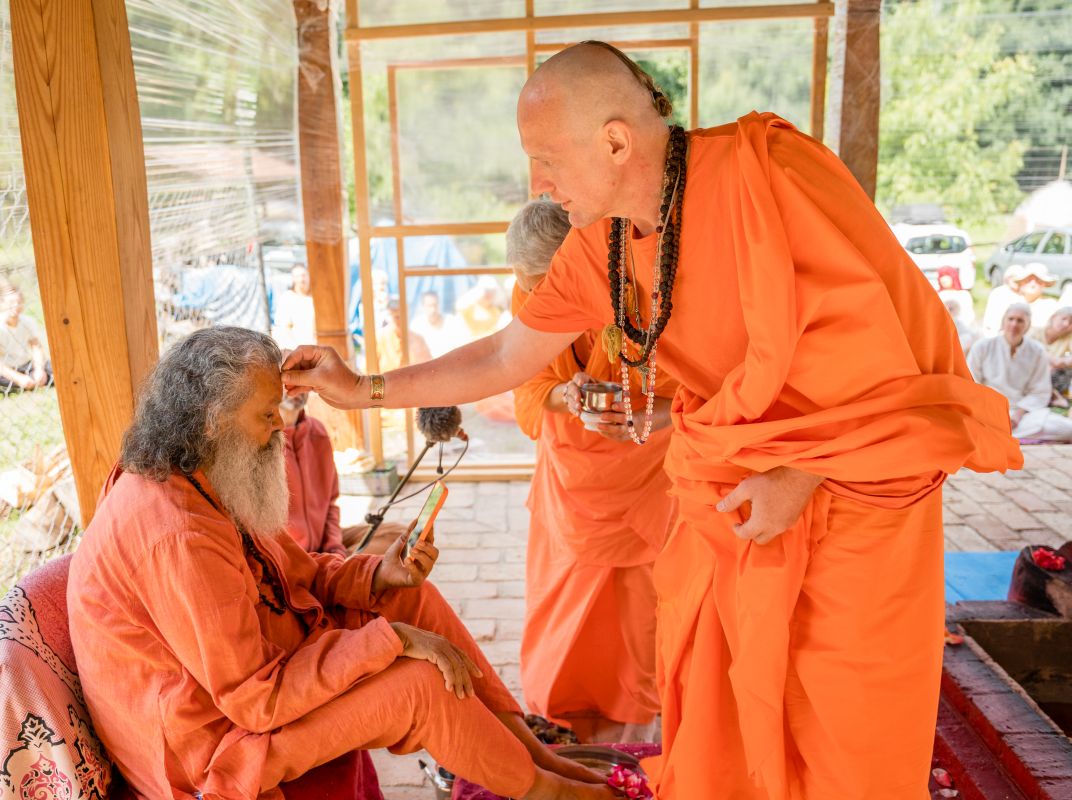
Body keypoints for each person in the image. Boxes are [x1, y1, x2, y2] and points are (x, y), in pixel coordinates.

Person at [283, 42, 1020, 799]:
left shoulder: (770, 177)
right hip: (739, 501)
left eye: (545, 158)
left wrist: (802, 471)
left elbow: (903, 365)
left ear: (614, 140)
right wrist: (361, 386)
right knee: (728, 706)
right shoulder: (599, 246)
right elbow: (507, 353)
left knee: (842, 735)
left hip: (858, 494)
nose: (537, 183)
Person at [67, 327, 611, 800]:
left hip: (260, 673)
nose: (281, 427)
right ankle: (547, 791)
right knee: (417, 684)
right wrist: (388, 642)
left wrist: (378, 575)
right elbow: (255, 699)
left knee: (407, 596)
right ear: (211, 420)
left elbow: (297, 575)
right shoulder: (177, 534)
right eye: (265, 415)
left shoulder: (204, 472)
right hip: (214, 749)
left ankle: (533, 755)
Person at [508, 200, 676, 743]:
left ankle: (636, 731)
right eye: (526, 284)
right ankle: (558, 716)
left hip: (645, 474)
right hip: (569, 485)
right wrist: (564, 394)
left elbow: (694, 390)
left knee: (635, 617)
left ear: (578, 266)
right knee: (559, 608)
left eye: (541, 283)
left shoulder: (644, 293)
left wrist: (643, 412)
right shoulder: (528, 294)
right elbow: (525, 385)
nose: (533, 297)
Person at [280, 391, 406, 556]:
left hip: (324, 547)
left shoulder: (317, 431)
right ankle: (341, 571)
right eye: (286, 376)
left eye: (301, 373)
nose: (294, 388)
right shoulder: (262, 441)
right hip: (290, 559)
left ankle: (338, 569)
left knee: (401, 537)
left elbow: (331, 503)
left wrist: (334, 548)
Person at [967, 304, 1072, 442]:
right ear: (1003, 321)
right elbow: (970, 384)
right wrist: (991, 412)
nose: (1014, 324)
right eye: (1011, 319)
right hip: (986, 410)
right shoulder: (982, 347)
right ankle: (998, 434)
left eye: (1020, 320)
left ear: (1028, 325)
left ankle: (996, 435)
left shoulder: (1037, 351)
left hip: (1022, 414)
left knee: (1067, 429)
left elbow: (1040, 392)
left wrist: (1017, 415)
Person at [0, 279, 53, 394]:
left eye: (19, 302)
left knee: (54, 367)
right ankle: (27, 384)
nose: (15, 306)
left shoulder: (28, 322)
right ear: (1, 303)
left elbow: (36, 347)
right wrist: (18, 378)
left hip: (23, 366)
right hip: (0, 372)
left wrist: (39, 370)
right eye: (10, 303)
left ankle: (32, 382)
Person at [982, 261, 1059, 336]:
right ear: (1021, 282)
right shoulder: (1005, 299)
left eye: (1038, 281)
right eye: (1028, 280)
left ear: (1044, 284)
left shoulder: (1050, 306)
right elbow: (991, 328)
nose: (1032, 284)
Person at [273, 262, 316, 348]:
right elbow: (282, 328)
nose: (301, 279)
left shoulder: (315, 298)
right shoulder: (287, 298)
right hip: (294, 349)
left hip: (314, 348)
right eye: (297, 276)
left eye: (304, 275)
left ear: (308, 276)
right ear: (293, 279)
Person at [413, 290, 465, 356]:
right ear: (423, 306)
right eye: (429, 306)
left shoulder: (451, 321)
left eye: (435, 305)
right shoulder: (416, 326)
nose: (433, 309)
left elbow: (461, 347)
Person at [1044, 306, 1072, 401]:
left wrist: (1063, 362)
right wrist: (1054, 361)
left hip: (1050, 376)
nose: (1066, 324)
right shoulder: (1035, 331)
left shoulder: (1068, 338)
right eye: (1063, 319)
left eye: (1071, 322)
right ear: (1053, 317)